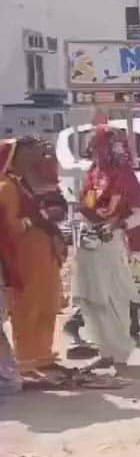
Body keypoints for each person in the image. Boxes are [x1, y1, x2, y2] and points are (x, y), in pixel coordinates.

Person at [70, 126, 140, 370]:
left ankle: (119, 355)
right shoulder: (93, 173)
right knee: (91, 297)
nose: (92, 151)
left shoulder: (124, 175)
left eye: (96, 146)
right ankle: (105, 351)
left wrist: (118, 224)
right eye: (92, 147)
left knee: (113, 297)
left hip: (110, 242)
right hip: (88, 242)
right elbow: (88, 204)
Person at [0, 138, 67, 387]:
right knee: (26, 310)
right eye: (26, 155)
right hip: (24, 258)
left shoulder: (20, 183)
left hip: (43, 257)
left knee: (46, 307)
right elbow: (11, 226)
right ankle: (26, 363)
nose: (32, 159)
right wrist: (34, 221)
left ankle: (42, 358)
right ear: (11, 158)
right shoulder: (6, 187)